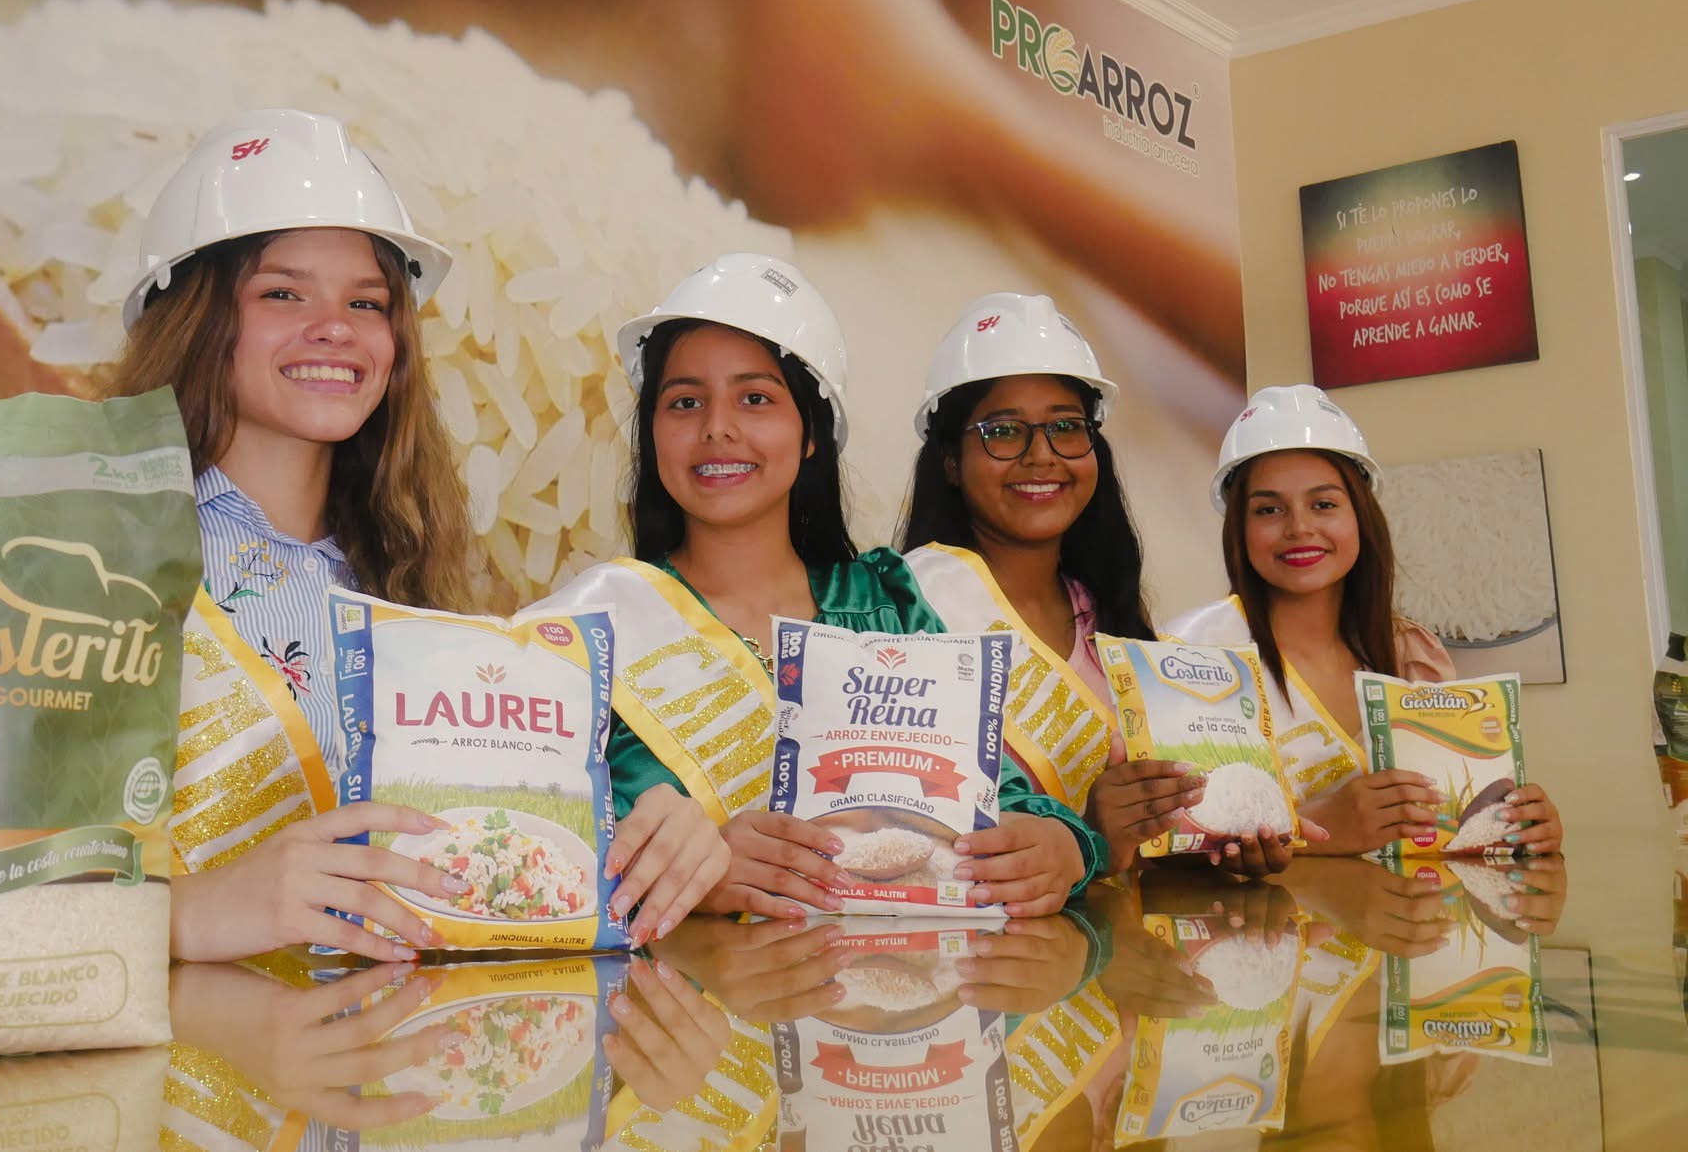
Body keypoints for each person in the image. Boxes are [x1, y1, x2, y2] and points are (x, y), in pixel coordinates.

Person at [113, 107, 722, 960]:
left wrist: (651, 841)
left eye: (367, 302)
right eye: (283, 292)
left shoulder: (407, 580)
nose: (335, 327)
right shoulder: (97, 559)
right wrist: (188, 915)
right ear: (193, 316)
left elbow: (482, 859)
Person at [530, 255, 1103, 922]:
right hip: (682, 986)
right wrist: (695, 871)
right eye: (684, 402)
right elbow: (526, 847)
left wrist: (1065, 846)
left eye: (755, 398)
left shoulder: (886, 606)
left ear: (810, 433)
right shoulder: (594, 630)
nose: (716, 427)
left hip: (898, 984)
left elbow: (999, 797)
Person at [897, 294, 1284, 875]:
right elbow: (898, 835)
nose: (1041, 456)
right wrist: (1091, 837)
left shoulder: (1113, 625)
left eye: (1066, 427)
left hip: (1117, 931)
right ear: (951, 460)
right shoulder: (905, 606)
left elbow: (1151, 851)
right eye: (1004, 431)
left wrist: (1217, 849)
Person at [1166, 385, 1563, 858]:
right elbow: (1170, 848)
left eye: (1324, 504)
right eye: (1268, 509)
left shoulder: (1410, 651)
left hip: (1406, 904)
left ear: (1361, 516)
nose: (1299, 528)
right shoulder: (1192, 653)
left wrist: (1516, 829)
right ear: (1239, 528)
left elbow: (1447, 826)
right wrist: (1319, 827)